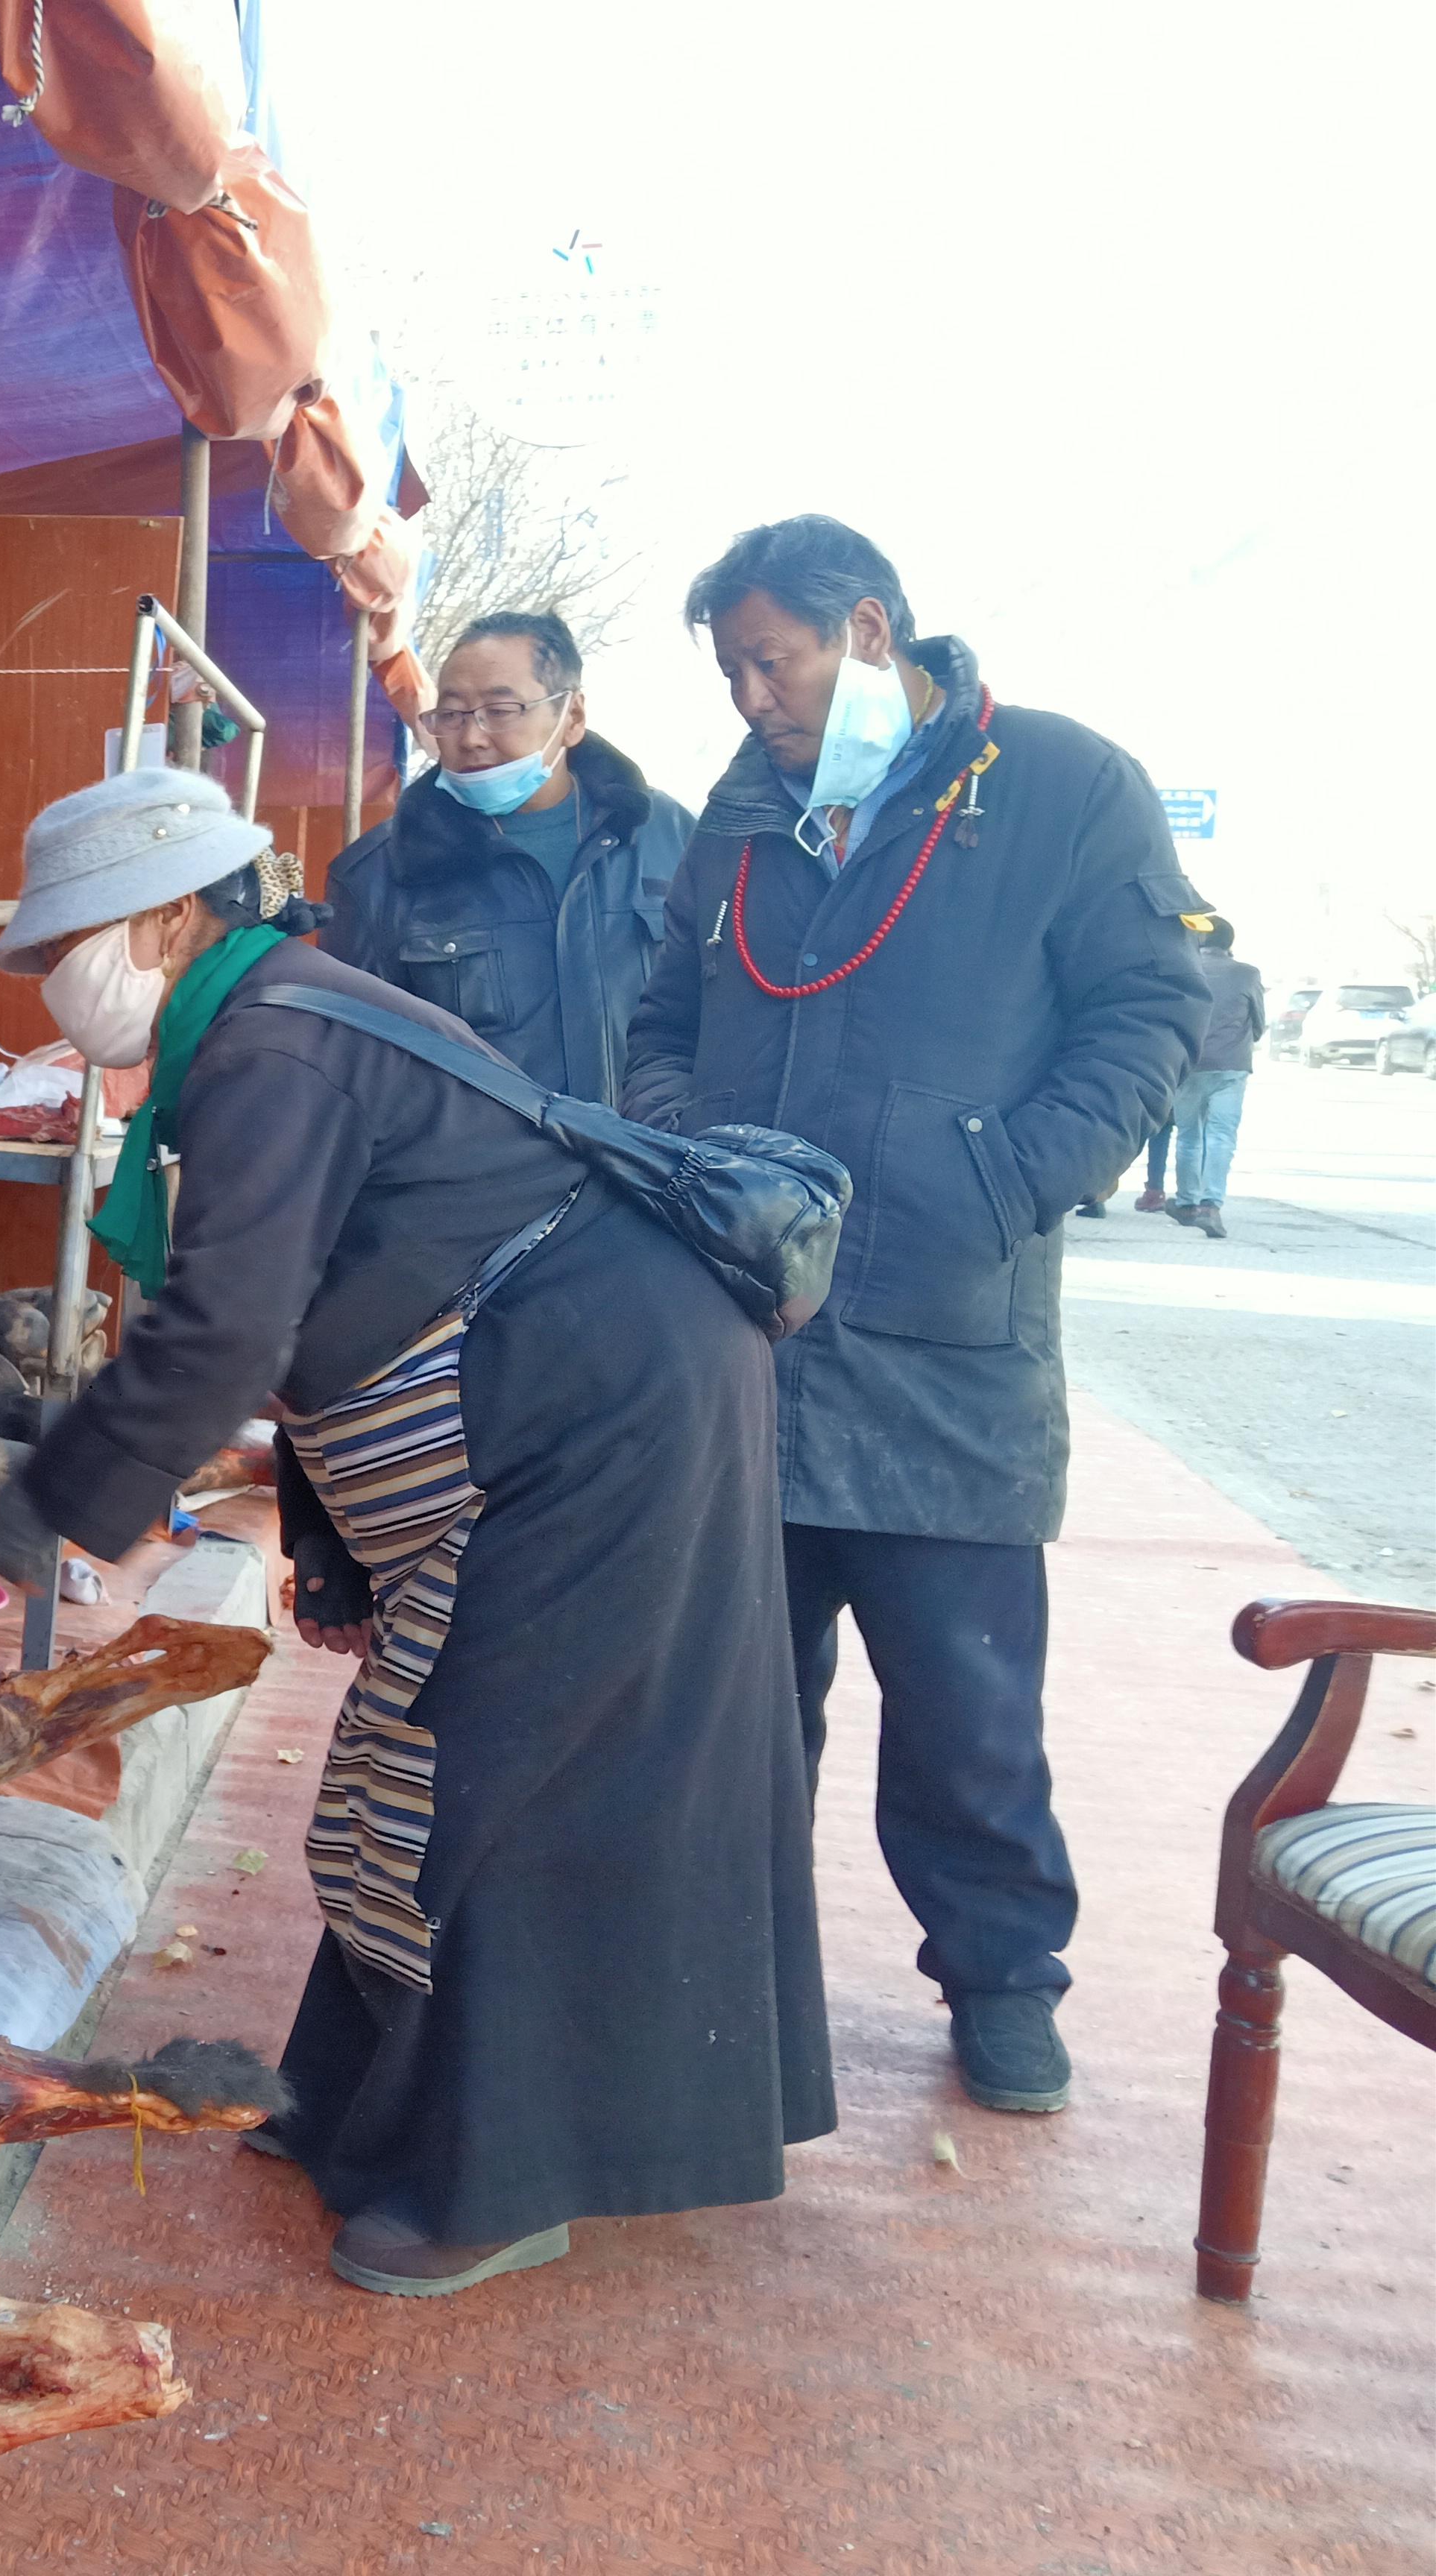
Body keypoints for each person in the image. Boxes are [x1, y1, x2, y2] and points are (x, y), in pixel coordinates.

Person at [0, 766, 831, 2299]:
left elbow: (233, 1326)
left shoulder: (273, 1049)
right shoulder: (262, 1025)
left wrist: (48, 1514)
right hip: (548, 1403)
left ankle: (499, 2178)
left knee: (496, 1779)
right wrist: (344, 1551)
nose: (51, 984)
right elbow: (330, 1306)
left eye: (65, 948)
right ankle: (364, 2106)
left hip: (600, 1414)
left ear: (172, 917)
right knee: (393, 1765)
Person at [624, 517, 1204, 2116]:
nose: (751, 698)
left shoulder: (1060, 785)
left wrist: (1009, 1180)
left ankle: (1005, 1978)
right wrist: (692, 1160)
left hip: (949, 1343)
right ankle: (728, 1968)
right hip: (751, 1335)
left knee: (966, 1710)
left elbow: (1160, 1008)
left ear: (867, 628)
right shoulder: (743, 820)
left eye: (773, 659)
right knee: (741, 1702)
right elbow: (661, 1023)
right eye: (732, 669)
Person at [324, 610, 693, 1103]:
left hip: (659, 1166)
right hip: (483, 1177)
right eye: (451, 715)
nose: (472, 737)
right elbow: (353, 1072)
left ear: (572, 718)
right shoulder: (379, 875)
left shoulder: (673, 838)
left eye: (500, 712)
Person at [1162, 915, 1263, 1240]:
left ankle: (1187, 1202)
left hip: (1188, 1065)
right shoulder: (1248, 974)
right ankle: (1210, 1205)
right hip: (1230, 1067)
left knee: (1189, 1135)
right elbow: (1258, 1023)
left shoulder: (1182, 971)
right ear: (1229, 942)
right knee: (1221, 1136)